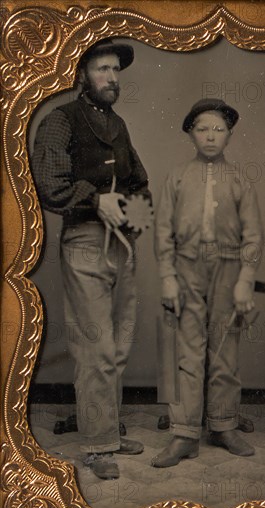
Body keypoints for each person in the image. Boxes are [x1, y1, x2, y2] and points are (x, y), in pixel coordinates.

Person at [31, 39, 151, 480]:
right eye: (102, 69)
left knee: (118, 344)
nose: (112, 78)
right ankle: (98, 446)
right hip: (84, 240)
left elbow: (140, 180)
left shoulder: (117, 124)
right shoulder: (59, 120)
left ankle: (107, 432)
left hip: (122, 244)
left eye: (116, 70)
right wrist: (95, 198)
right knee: (94, 343)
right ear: (81, 73)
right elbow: (49, 182)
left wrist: (134, 223)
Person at [152, 98, 262, 467]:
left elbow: (253, 236)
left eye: (218, 130)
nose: (210, 137)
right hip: (186, 267)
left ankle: (224, 425)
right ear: (190, 134)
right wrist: (168, 277)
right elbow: (163, 231)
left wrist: (246, 280)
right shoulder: (178, 177)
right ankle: (184, 434)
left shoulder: (239, 180)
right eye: (202, 129)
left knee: (224, 350)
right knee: (188, 350)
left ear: (229, 135)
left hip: (229, 268)